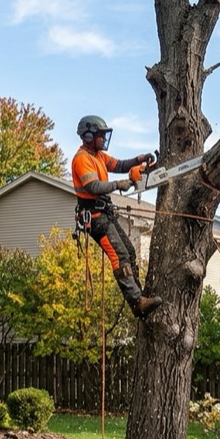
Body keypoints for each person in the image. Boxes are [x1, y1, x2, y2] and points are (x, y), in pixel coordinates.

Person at [70, 114, 162, 317]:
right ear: (88, 136)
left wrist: (138, 160)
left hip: (105, 213)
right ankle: (137, 302)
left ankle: (140, 295)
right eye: (100, 136)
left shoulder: (98, 156)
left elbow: (119, 165)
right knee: (119, 257)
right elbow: (92, 186)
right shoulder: (81, 159)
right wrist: (118, 185)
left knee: (129, 252)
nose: (104, 139)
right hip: (94, 218)